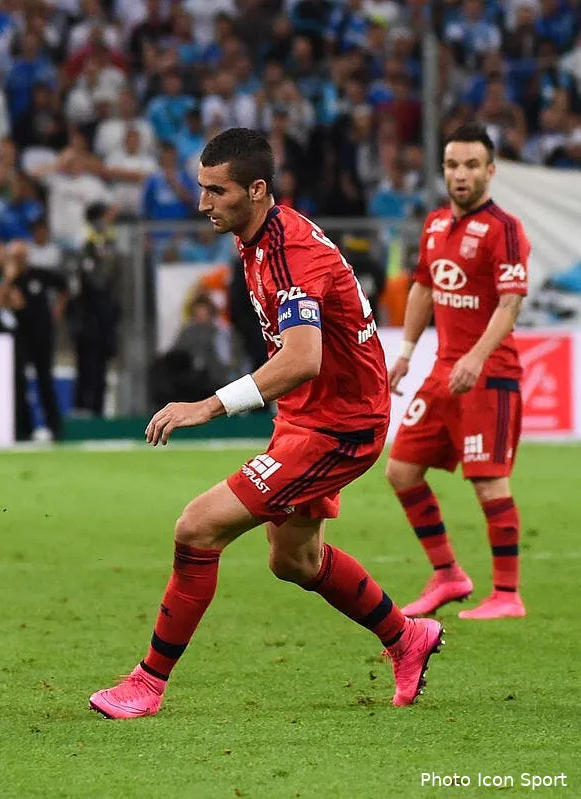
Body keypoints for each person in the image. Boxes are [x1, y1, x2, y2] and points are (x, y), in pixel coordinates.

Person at [89, 129, 443, 719]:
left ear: (256, 190)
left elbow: (305, 357)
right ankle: (407, 638)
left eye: (216, 191)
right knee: (294, 561)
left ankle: (146, 684)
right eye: (202, 189)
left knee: (197, 529)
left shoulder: (289, 254)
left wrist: (209, 405)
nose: (203, 203)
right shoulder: (259, 235)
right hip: (310, 413)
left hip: (341, 426)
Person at [385, 123, 531, 620]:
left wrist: (476, 356)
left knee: (489, 482)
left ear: (491, 171)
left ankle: (507, 594)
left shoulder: (505, 228)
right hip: (442, 371)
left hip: (490, 376)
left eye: (471, 165)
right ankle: (447, 574)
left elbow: (510, 302)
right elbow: (424, 287)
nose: (460, 174)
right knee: (401, 471)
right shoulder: (433, 225)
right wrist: (405, 351)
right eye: (452, 165)